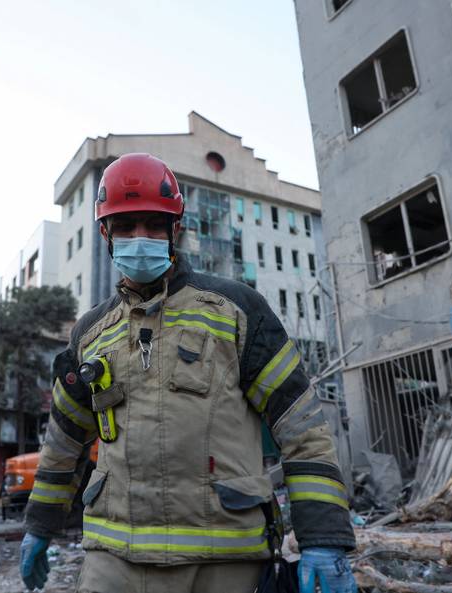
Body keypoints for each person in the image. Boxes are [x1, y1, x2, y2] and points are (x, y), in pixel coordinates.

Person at [20, 153, 356, 593]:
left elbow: (302, 429)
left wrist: (323, 540)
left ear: (174, 229)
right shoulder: (89, 334)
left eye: (152, 224)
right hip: (112, 558)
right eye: (125, 226)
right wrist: (40, 525)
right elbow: (63, 441)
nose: (139, 237)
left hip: (223, 556)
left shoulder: (237, 311)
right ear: (105, 233)